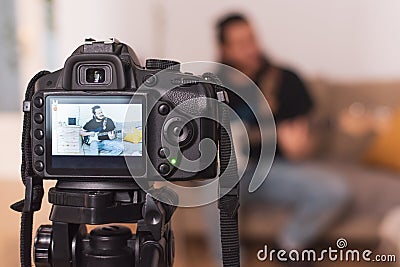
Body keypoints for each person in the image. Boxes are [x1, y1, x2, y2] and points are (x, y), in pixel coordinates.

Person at [206, 13, 351, 266]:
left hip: (274, 171)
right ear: (224, 49)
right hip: (229, 175)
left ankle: (290, 245)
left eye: (252, 39)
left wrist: (299, 147)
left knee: (335, 189)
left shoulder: (286, 80)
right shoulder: (210, 85)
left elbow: (304, 143)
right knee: (211, 189)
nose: (250, 48)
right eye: (240, 43)